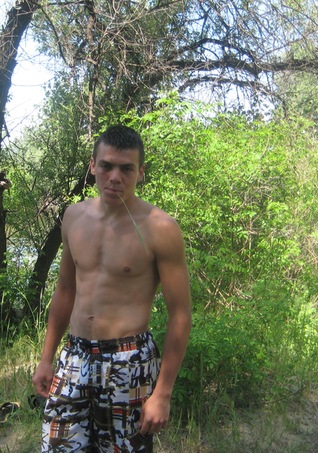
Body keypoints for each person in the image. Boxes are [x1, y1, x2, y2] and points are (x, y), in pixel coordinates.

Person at [32, 125, 192, 452]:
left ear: (140, 172)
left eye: (126, 169)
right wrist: (46, 358)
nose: (115, 177)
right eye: (106, 166)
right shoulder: (74, 217)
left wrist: (162, 393)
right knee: (57, 445)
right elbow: (65, 291)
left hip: (129, 360)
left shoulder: (161, 227)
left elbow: (180, 314)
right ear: (93, 166)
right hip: (75, 354)